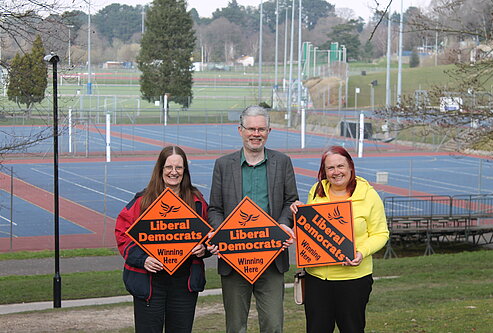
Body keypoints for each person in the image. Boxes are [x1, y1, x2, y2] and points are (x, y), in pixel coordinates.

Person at [207, 105, 299, 333]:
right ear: (240, 130)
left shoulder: (283, 162)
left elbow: (291, 201)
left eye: (261, 129)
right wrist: (223, 236)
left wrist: (283, 225)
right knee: (236, 327)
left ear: (269, 131)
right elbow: (215, 209)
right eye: (251, 129)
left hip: (272, 259)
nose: (255, 134)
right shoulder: (223, 165)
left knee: (273, 325)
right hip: (233, 260)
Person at [290, 146, 389, 333]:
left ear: (350, 167)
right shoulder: (316, 191)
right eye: (330, 168)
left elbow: (381, 234)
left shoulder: (369, 195)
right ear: (324, 171)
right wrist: (298, 211)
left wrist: (361, 253)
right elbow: (309, 229)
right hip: (317, 278)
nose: (336, 172)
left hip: (353, 279)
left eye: (340, 166)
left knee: (352, 329)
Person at [115, 145, 209, 333]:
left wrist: (204, 248)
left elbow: (209, 234)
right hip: (150, 283)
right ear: (160, 169)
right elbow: (122, 233)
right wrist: (143, 259)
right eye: (168, 167)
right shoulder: (143, 201)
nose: (173, 172)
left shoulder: (197, 201)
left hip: (184, 283)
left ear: (185, 171)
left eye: (179, 168)